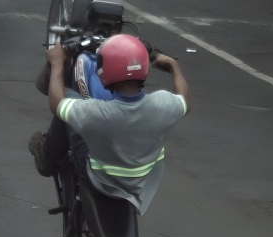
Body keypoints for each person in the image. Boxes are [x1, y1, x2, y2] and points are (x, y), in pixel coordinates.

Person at [28, 34, 190, 215]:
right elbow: (183, 100)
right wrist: (173, 67)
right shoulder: (163, 104)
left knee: (70, 101)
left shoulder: (96, 113)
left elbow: (57, 104)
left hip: (101, 180)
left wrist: (57, 63)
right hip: (143, 182)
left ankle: (47, 158)